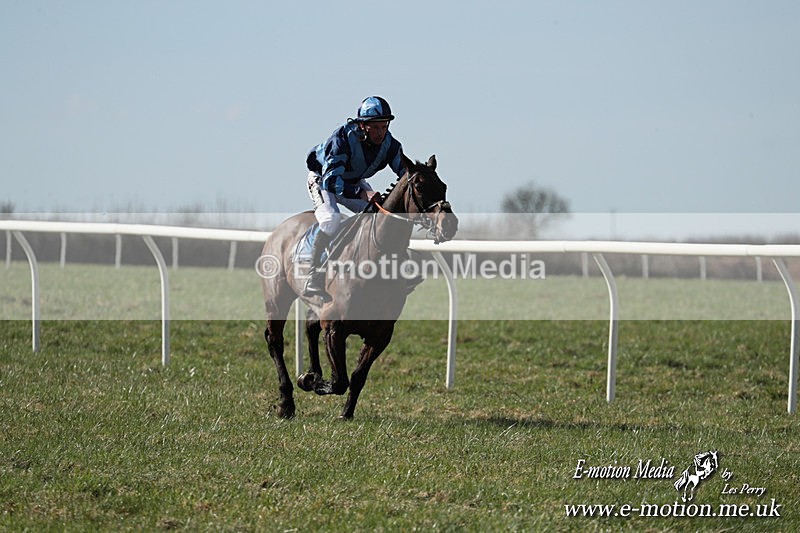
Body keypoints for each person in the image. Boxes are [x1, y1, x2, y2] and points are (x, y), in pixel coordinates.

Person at [303, 96, 407, 299]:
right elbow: (332, 182)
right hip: (323, 179)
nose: (381, 133)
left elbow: (405, 173)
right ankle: (312, 274)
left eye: (384, 126)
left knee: (377, 216)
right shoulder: (342, 139)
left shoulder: (390, 144)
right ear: (362, 125)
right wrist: (362, 193)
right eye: (375, 127)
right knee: (331, 220)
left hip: (352, 179)